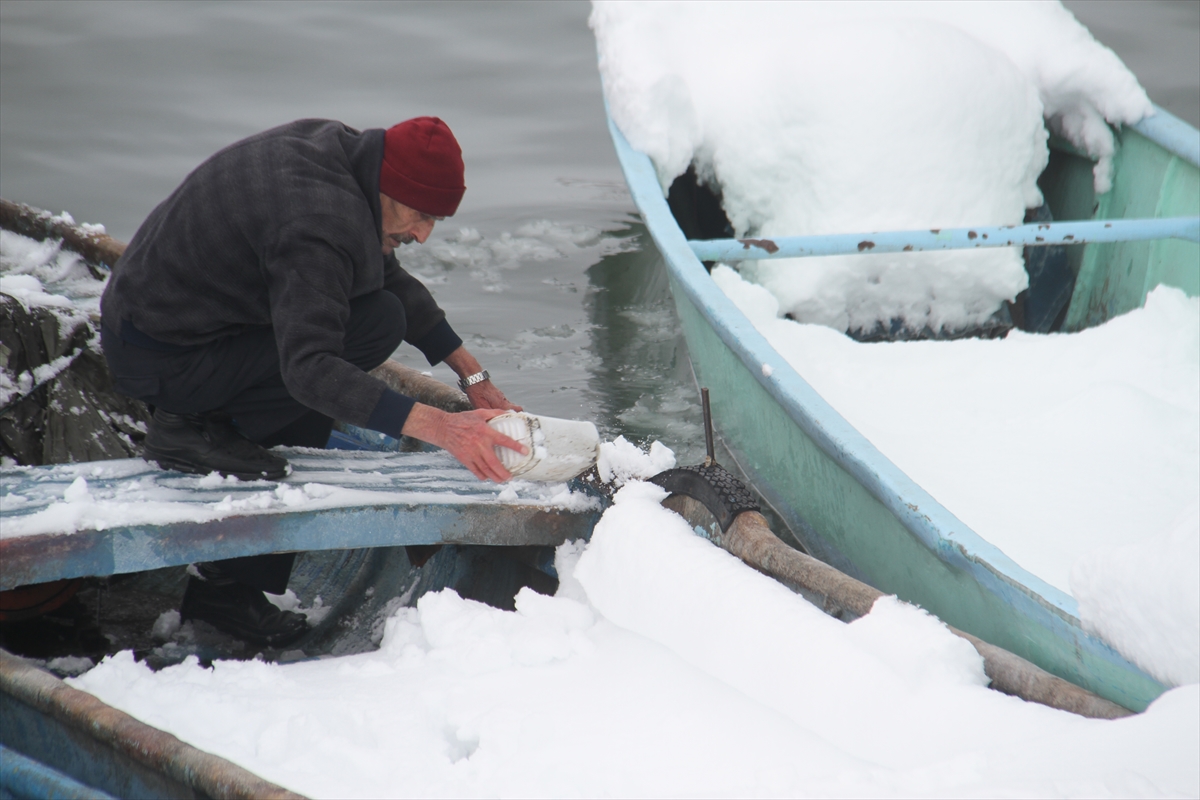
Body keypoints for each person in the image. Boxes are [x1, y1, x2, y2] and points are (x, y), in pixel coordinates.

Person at [99, 117, 526, 647]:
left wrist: (472, 375)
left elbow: (383, 275)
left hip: (182, 323)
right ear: (388, 188)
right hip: (161, 356)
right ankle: (188, 434)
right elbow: (310, 369)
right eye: (419, 216)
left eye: (434, 220)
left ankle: (224, 572)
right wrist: (445, 428)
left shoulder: (346, 159)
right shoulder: (319, 218)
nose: (423, 234)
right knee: (348, 351)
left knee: (379, 316)